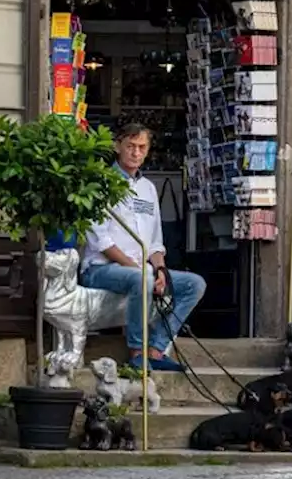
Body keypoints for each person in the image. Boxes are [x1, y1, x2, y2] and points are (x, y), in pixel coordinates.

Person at [80, 123, 206, 372]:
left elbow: (155, 242)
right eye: (130, 146)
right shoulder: (101, 182)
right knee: (142, 279)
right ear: (118, 146)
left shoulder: (148, 188)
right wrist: (143, 271)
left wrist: (160, 271)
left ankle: (156, 350)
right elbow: (101, 242)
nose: (136, 153)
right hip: (100, 269)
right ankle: (137, 351)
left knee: (194, 284)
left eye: (142, 147)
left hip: (141, 272)